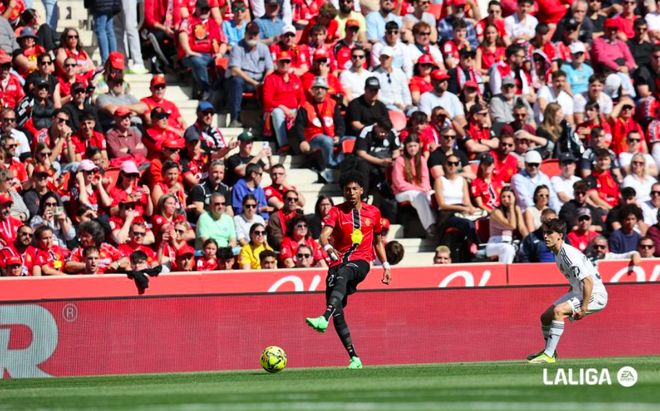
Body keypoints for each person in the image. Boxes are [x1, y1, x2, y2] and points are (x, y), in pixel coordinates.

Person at [304, 171, 391, 369]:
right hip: (337, 263)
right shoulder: (336, 212)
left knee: (345, 273)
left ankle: (323, 318)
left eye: (354, 189)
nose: (351, 192)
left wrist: (386, 265)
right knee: (338, 311)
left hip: (361, 261)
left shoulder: (373, 212)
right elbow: (323, 235)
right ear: (343, 192)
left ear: (361, 190)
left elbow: (378, 241)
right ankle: (354, 358)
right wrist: (328, 248)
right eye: (347, 189)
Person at [527, 218, 608, 364]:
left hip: (595, 294)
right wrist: (571, 293)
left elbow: (588, 281)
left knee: (559, 311)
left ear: (560, 235)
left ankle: (549, 355)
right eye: (544, 233)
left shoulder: (567, 255)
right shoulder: (558, 254)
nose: (545, 236)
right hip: (579, 291)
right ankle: (549, 351)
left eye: (549, 233)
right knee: (546, 317)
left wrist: (583, 308)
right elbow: (576, 278)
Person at [226, 21, 274, 127]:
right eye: (250, 33)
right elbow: (235, 70)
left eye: (255, 34)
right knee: (236, 81)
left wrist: (264, 81)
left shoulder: (264, 48)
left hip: (259, 80)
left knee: (270, 82)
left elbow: (270, 68)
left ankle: (267, 120)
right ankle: (235, 118)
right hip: (244, 80)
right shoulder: (237, 47)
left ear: (259, 35)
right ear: (245, 34)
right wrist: (254, 83)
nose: (252, 36)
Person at [391, 133, 434, 232]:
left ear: (419, 146)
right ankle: (430, 227)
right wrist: (420, 190)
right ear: (405, 147)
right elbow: (399, 183)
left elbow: (425, 180)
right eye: (410, 146)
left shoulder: (422, 160)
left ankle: (440, 223)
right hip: (402, 193)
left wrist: (426, 189)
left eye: (415, 145)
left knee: (434, 195)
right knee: (418, 196)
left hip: (420, 190)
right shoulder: (400, 160)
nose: (413, 148)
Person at [486, 187, 526, 263]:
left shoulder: (516, 209)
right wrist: (511, 206)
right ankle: (504, 270)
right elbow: (512, 226)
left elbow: (522, 227)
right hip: (495, 243)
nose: (505, 199)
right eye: (503, 197)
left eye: (509, 196)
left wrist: (530, 239)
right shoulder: (496, 212)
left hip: (509, 242)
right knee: (508, 249)